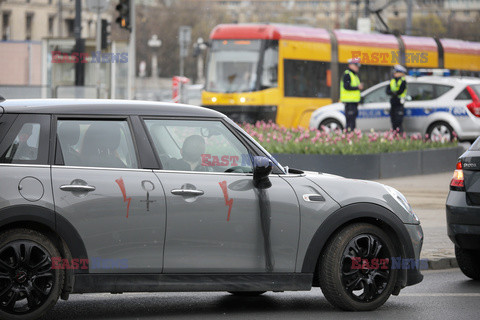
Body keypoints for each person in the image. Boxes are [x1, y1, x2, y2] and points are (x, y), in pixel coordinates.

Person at [340, 58, 364, 131]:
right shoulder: (348, 74)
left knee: (352, 122)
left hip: (353, 103)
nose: (357, 67)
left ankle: (351, 136)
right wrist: (358, 87)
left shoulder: (354, 75)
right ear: (350, 65)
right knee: (350, 123)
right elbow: (346, 86)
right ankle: (349, 137)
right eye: (356, 65)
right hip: (349, 103)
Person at [386, 64, 407, 133]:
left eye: (396, 72)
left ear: (401, 73)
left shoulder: (403, 81)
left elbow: (400, 91)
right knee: (394, 123)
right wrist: (394, 93)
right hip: (393, 104)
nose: (395, 73)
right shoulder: (392, 81)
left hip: (399, 104)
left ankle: (399, 138)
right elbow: (387, 91)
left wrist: (393, 93)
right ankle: (395, 138)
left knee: (398, 123)